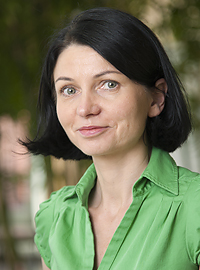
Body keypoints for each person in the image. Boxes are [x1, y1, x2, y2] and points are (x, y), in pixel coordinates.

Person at [22, 7, 200, 270]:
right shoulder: (54, 217)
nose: (85, 108)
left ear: (156, 98)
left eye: (108, 84)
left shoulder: (193, 207)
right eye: (69, 90)